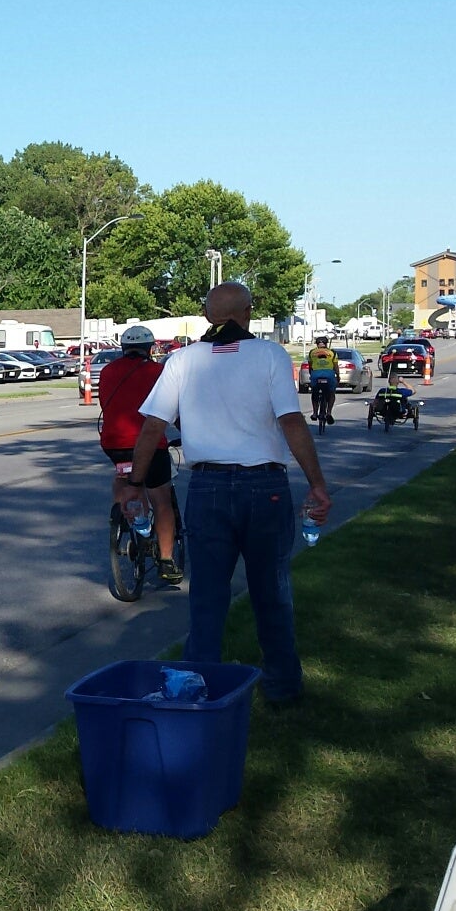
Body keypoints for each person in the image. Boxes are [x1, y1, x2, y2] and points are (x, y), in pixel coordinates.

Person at [130, 283, 332, 707]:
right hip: (266, 487)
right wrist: (316, 482)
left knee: (207, 595)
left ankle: (196, 690)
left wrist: (135, 486)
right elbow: (292, 421)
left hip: (208, 488)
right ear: (248, 312)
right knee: (271, 591)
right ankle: (282, 688)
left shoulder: (182, 361)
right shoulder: (270, 355)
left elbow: (152, 427)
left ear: (207, 317)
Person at [98, 325, 181, 583]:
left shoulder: (107, 371)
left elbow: (105, 404)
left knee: (124, 478)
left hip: (113, 444)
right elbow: (172, 410)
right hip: (150, 445)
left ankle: (125, 516)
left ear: (123, 348)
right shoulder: (158, 371)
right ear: (151, 348)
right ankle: (166, 560)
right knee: (162, 500)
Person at [305, 340, 340, 424]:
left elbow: (310, 366)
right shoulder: (332, 353)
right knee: (332, 393)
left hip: (316, 374)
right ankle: (329, 412)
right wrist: (338, 376)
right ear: (326, 343)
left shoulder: (312, 352)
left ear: (317, 344)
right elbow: (335, 366)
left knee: (314, 392)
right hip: (329, 374)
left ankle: (314, 413)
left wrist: (312, 374)